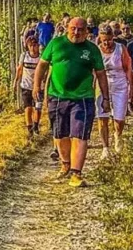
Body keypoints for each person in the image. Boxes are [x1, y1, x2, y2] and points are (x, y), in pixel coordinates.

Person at [33, 16, 109, 188]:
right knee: (60, 134)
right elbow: (42, 66)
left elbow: (101, 74)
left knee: (80, 135)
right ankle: (66, 164)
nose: (76, 32)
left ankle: (76, 173)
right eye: (73, 28)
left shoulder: (92, 50)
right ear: (67, 28)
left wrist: (105, 97)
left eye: (81, 29)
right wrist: (36, 86)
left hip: (82, 98)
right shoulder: (56, 44)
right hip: (57, 96)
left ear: (87, 31)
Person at [96, 25, 133, 159]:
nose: (106, 43)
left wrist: (131, 87)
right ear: (100, 38)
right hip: (102, 85)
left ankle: (118, 134)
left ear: (113, 37)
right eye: (104, 40)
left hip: (120, 83)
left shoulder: (120, 49)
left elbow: (128, 68)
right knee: (102, 116)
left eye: (109, 39)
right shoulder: (97, 51)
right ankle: (105, 147)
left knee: (119, 117)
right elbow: (93, 71)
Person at [14, 33, 42, 142]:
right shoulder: (24, 56)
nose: (33, 48)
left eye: (35, 45)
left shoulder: (41, 57)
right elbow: (19, 69)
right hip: (26, 85)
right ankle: (29, 129)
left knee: (38, 108)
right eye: (31, 46)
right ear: (28, 46)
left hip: (38, 86)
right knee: (28, 108)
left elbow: (45, 70)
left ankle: (36, 125)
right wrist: (16, 81)